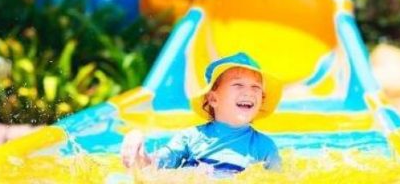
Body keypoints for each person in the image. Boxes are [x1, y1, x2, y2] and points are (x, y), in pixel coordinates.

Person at [120, 52, 283, 175]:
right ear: (213, 99)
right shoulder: (191, 137)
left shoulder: (264, 147)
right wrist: (138, 149)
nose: (249, 92)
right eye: (238, 84)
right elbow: (152, 166)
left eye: (256, 87)